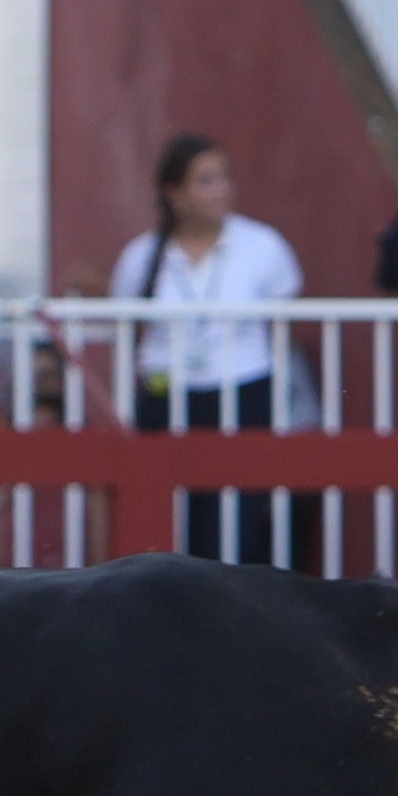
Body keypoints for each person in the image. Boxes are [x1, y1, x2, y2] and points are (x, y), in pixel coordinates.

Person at [108, 132, 311, 564]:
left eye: (224, 176)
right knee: (167, 530)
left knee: (232, 529)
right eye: (206, 180)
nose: (223, 189)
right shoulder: (141, 256)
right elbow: (127, 329)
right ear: (174, 193)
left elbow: (284, 327)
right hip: (166, 394)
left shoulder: (263, 246)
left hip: (244, 389)